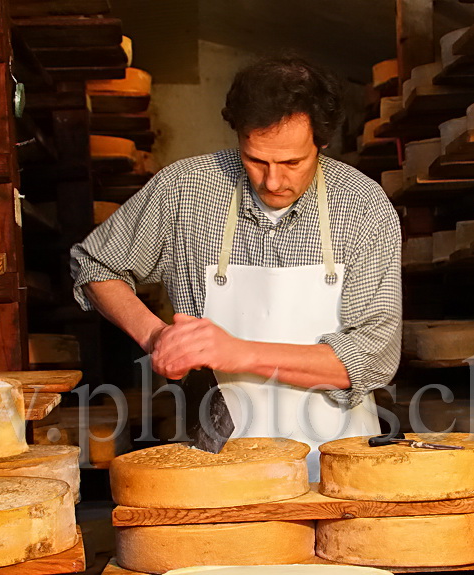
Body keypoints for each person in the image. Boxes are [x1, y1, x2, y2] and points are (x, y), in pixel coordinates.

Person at [70, 56, 402, 477]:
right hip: (216, 457)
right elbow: (96, 263)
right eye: (256, 160)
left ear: (321, 142)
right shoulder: (184, 189)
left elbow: (374, 356)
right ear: (239, 136)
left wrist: (238, 352)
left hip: (336, 456)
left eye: (292, 163)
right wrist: (157, 336)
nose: (273, 181)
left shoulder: (363, 206)